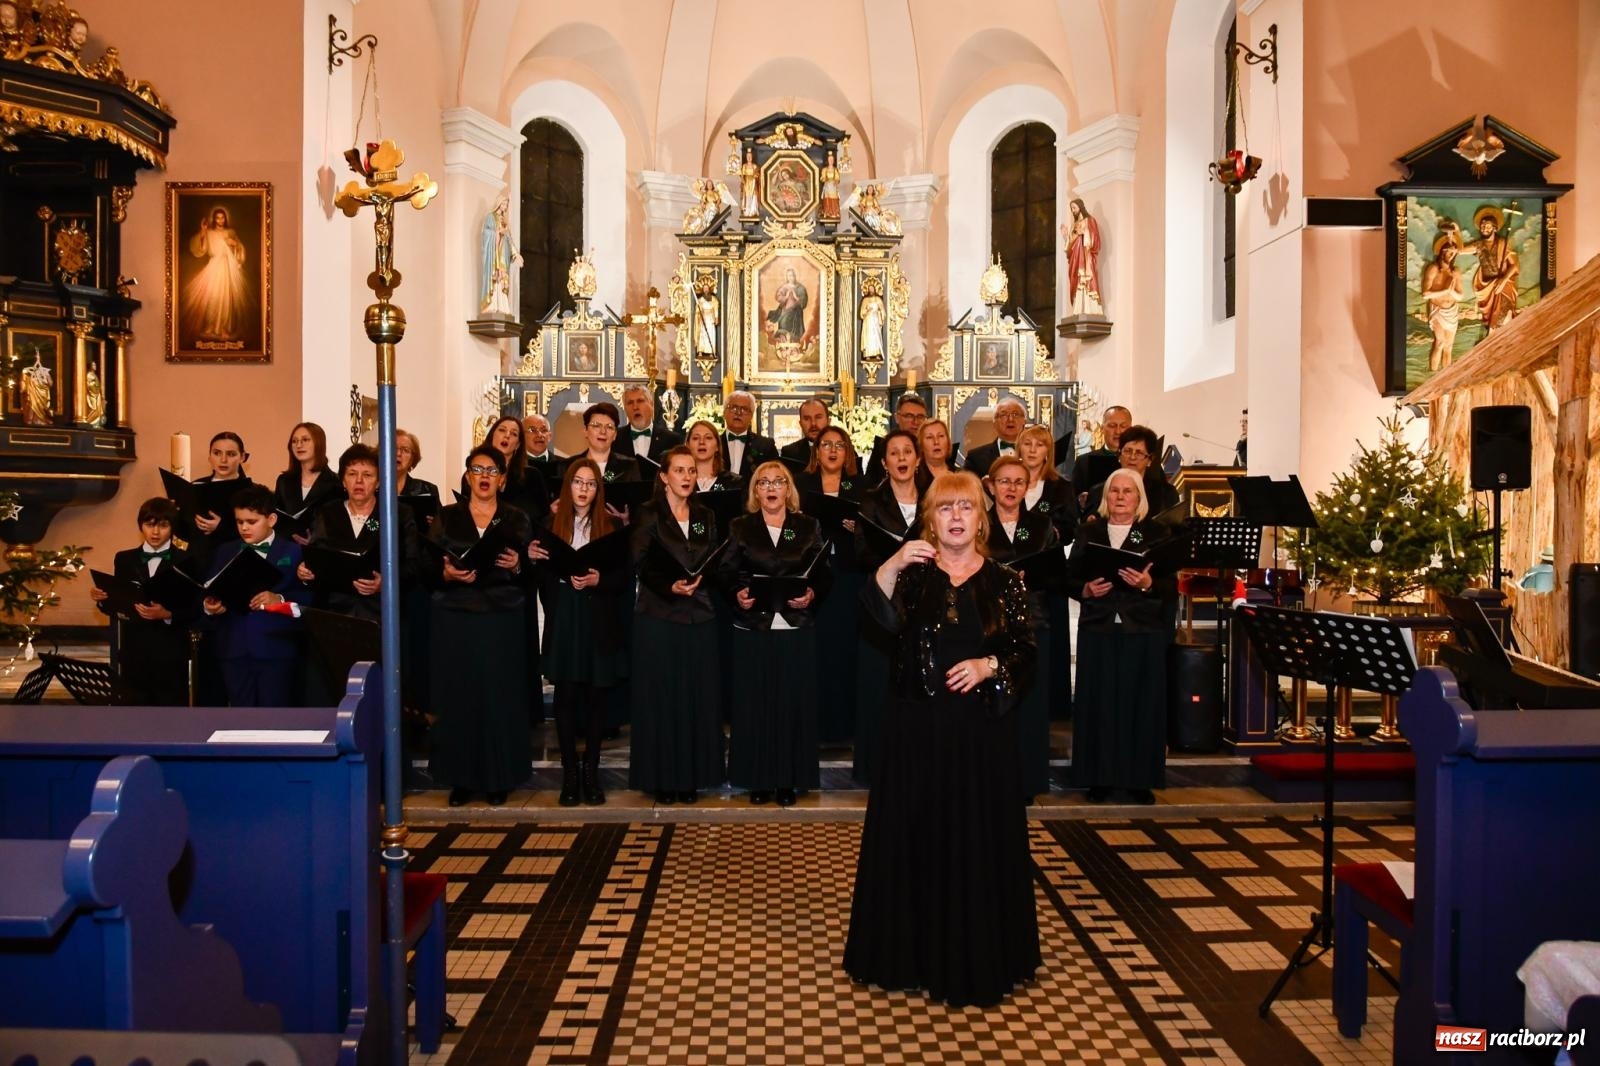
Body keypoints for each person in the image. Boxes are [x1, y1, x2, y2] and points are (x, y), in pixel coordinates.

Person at [844, 471, 1039, 1008]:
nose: (956, 516)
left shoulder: (1005, 581)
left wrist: (987, 665)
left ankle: (980, 953)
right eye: (945, 508)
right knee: (916, 837)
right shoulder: (911, 578)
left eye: (966, 507)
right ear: (930, 520)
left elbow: (1025, 652)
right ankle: (910, 958)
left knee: (977, 839)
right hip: (917, 733)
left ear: (981, 519)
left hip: (981, 738)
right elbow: (878, 624)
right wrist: (890, 564)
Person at [426, 445, 534, 807]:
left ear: (502, 480)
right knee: (459, 698)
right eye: (477, 469)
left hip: (502, 616)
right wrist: (445, 573)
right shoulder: (446, 516)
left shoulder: (516, 518)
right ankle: (461, 779)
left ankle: (498, 778)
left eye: (491, 471)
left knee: (500, 698)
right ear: (468, 476)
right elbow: (427, 565)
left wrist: (517, 565)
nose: (484, 477)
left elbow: (532, 571)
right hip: (456, 616)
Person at [720, 461, 830, 805]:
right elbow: (725, 572)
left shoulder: (807, 526)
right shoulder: (740, 526)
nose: (771, 488)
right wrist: (737, 593)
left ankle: (788, 780)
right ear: (755, 491)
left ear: (788, 489)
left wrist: (812, 593)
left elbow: (824, 572)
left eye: (778, 482)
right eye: (763, 482)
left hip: (796, 626)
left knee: (792, 705)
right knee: (755, 706)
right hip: (753, 627)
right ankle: (759, 781)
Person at [1066, 468, 1176, 804]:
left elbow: (1170, 585)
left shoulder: (1156, 533)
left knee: (1141, 704)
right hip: (1098, 626)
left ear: (1139, 498)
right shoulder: (1089, 531)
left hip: (1142, 627)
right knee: (1097, 703)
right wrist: (1084, 589)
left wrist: (1149, 584)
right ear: (1106, 496)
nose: (1120, 497)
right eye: (1115, 491)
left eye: (1128, 491)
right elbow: (1068, 577)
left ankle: (1138, 780)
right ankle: (1098, 778)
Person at [526, 459, 628, 807]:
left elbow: (623, 577)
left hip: (598, 616)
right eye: (577, 482)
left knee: (597, 697)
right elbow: (537, 577)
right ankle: (570, 773)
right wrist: (535, 560)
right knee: (566, 696)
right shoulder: (549, 525)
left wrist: (600, 580)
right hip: (565, 617)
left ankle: (591, 772)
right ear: (567, 487)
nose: (583, 489)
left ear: (598, 490)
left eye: (590, 483)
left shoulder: (611, 526)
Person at [628, 447, 725, 804]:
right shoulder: (648, 512)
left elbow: (713, 556)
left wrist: (704, 576)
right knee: (662, 698)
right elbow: (639, 562)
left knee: (696, 697)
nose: (687, 477)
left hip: (699, 615)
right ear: (664, 476)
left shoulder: (704, 514)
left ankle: (691, 778)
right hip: (659, 615)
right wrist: (669, 585)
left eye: (691, 471)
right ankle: (662, 778)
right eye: (679, 470)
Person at [984, 456, 1059, 799]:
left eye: (1018, 482)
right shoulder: (979, 524)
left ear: (1027, 487)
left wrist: (1032, 578)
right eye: (1004, 481)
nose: (1011, 488)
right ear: (991, 486)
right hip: (989, 625)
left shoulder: (1042, 526)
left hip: (1032, 621)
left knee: (1030, 705)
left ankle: (1027, 781)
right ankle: (992, 780)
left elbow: (1057, 575)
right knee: (994, 705)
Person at [198, 484, 312, 707]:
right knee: (241, 718)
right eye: (239, 522)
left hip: (276, 649)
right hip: (234, 649)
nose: (244, 528)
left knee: (275, 717)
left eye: (252, 522)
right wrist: (210, 606)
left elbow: (309, 599)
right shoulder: (225, 551)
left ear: (271, 519)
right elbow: (208, 590)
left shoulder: (294, 552)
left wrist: (278, 599)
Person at [853, 429, 924, 784]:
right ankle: (877, 767)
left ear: (917, 459)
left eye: (907, 451)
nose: (901, 458)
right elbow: (861, 552)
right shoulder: (870, 501)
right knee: (879, 683)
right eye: (894, 453)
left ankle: (918, 765)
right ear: (884, 463)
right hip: (883, 601)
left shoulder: (934, 498)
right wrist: (896, 558)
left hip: (924, 601)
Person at [795, 425, 864, 746]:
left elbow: (874, 532)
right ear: (816, 451)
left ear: (847, 451)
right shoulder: (802, 483)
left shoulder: (860, 485)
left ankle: (845, 725)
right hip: (813, 576)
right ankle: (815, 725)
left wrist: (858, 528)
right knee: (817, 650)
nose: (833, 450)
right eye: (826, 445)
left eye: (839, 445)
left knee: (845, 649)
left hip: (849, 575)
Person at [89, 497, 194, 706]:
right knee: (134, 712)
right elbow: (119, 602)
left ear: (173, 528)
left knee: (171, 712)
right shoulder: (124, 559)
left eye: (163, 525)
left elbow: (193, 607)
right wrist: (102, 599)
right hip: (134, 651)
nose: (155, 532)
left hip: (171, 653)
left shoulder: (185, 560)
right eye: (149, 524)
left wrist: (168, 614)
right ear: (140, 526)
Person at [182, 207, 252, 346]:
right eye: (217, 217)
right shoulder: (209, 233)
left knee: (225, 297)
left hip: (226, 267)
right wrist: (203, 232)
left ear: (225, 219)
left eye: (222, 217)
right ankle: (211, 326)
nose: (220, 220)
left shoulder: (230, 232)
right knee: (213, 296)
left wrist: (235, 244)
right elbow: (201, 250)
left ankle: (224, 328)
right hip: (214, 266)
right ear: (214, 219)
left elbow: (239, 249)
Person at [190, 431, 263, 559]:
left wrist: (221, 527)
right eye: (217, 453)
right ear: (210, 457)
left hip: (236, 557)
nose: (223, 460)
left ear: (242, 457)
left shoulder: (253, 492)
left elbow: (261, 531)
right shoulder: (196, 486)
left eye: (231, 454)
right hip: (199, 557)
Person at [468, 415, 550, 526]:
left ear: (518, 444)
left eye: (514, 434)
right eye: (502, 430)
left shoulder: (532, 476)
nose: (507, 436)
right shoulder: (474, 473)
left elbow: (543, 518)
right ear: (492, 436)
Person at [1085, 424, 1179, 517]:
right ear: (1119, 455)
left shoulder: (1165, 493)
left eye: (1139, 453)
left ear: (1150, 460)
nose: (1132, 457)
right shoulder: (1098, 492)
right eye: (1128, 451)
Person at [1459, 205, 1519, 333]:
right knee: (1492, 322)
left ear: (1494, 228)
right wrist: (1455, 234)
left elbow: (1515, 266)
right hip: (1487, 288)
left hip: (1503, 287)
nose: (1484, 229)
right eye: (1482, 226)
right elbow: (1461, 250)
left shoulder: (1503, 243)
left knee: (1505, 318)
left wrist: (1503, 280)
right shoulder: (1479, 245)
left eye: (1487, 226)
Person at [274, 422, 343, 534]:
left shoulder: (335, 482)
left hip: (323, 542)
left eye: (305, 440)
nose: (299, 445)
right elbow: (276, 517)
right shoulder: (284, 481)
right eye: (294, 441)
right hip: (288, 542)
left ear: (319, 443)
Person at [1016, 424, 1080, 539]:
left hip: (1048, 549)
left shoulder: (1062, 486)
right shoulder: (1005, 483)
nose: (1032, 450)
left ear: (1048, 451)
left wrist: (1053, 534)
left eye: (1039, 445)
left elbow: (1071, 529)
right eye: (1027, 444)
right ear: (1019, 449)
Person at [1073, 406, 1131, 510]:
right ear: (1102, 428)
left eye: (1123, 426)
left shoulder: (1140, 461)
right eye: (1112, 426)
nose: (1118, 431)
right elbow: (1073, 502)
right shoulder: (1084, 461)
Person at [864, 392, 928, 484]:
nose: (915, 422)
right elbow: (871, 483)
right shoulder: (882, 447)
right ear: (897, 417)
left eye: (920, 417)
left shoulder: (929, 448)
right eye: (909, 416)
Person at [1422, 235, 1465, 371]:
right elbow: (1425, 294)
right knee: (1440, 343)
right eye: (1448, 251)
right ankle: (1433, 375)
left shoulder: (1455, 272)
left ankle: (1446, 377)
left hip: (1452, 311)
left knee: (1449, 347)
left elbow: (1460, 295)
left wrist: (1451, 292)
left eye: (1453, 252)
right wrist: (1445, 290)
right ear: (1442, 252)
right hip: (1438, 311)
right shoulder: (1433, 269)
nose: (1451, 255)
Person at [961, 397, 1027, 478]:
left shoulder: (1035, 454)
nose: (1010, 419)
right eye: (1004, 415)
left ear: (1024, 421)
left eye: (1015, 414)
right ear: (994, 423)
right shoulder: (975, 457)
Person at [478, 197, 522, 317]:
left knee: (502, 280)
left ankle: (502, 306)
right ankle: (491, 305)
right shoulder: (490, 217)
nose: (505, 207)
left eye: (506, 204)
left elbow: (509, 240)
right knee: (494, 278)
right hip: (493, 256)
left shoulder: (504, 221)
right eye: (503, 204)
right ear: (499, 204)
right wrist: (497, 233)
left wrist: (516, 254)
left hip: (503, 256)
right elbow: (485, 234)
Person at [720, 391, 778, 481]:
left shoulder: (765, 445)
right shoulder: (713, 443)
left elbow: (775, 475)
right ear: (724, 412)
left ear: (751, 416)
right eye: (734, 408)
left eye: (744, 409)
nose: (738, 413)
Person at [1061, 197, 1104, 317]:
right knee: (1077, 280)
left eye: (1074, 207)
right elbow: (1069, 248)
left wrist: (1085, 233)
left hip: (1085, 258)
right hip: (1075, 259)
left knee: (1086, 279)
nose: (1073, 210)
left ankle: (1090, 307)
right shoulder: (1074, 225)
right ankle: (1078, 307)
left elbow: (1096, 240)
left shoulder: (1089, 221)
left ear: (1080, 207)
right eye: (1071, 208)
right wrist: (1065, 236)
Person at [621, 384, 682, 462]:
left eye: (640, 401)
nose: (635, 407)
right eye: (630, 402)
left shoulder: (672, 439)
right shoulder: (614, 439)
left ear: (651, 404)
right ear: (625, 408)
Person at [396, 428, 441, 531]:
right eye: (392, 448)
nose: (398, 453)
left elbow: (442, 527)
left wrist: (436, 523)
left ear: (412, 458)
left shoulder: (428, 489)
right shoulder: (372, 488)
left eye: (405, 450)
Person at [685, 419, 740, 493]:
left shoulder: (734, 482)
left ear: (717, 446)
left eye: (708, 438)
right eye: (696, 438)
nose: (701, 442)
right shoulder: (680, 481)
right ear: (688, 445)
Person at [779, 396, 831, 464]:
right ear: (800, 424)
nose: (813, 423)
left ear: (828, 421)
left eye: (818, 417)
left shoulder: (842, 449)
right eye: (807, 419)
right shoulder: (789, 453)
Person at [766, 267, 808, 343]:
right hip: (785, 311)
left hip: (796, 313)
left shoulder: (800, 288)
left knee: (795, 331)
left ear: (795, 276)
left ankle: (794, 345)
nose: (791, 277)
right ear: (787, 277)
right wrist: (786, 296)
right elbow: (778, 297)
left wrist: (796, 297)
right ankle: (783, 345)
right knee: (783, 322)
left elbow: (804, 301)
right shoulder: (784, 287)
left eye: (792, 275)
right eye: (789, 275)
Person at [20, 350, 52, 425]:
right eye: (35, 358)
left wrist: (47, 376)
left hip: (42, 393)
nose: (37, 360)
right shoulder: (26, 371)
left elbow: (50, 383)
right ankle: (30, 419)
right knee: (32, 404)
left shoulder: (45, 371)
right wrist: (23, 387)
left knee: (41, 406)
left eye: (38, 358)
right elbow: (23, 382)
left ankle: (41, 419)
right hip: (32, 391)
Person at [694, 275, 720, 356]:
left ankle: (711, 352)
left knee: (711, 334)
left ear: (709, 289)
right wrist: (699, 314)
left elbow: (715, 309)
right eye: (704, 288)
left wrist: (716, 318)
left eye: (707, 288)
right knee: (702, 334)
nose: (705, 289)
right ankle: (700, 351)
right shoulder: (700, 300)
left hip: (710, 318)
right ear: (702, 289)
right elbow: (697, 310)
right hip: (703, 318)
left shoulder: (714, 299)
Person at [819, 150, 841, 222]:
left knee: (834, 199)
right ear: (827, 161)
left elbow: (838, 178)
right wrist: (825, 179)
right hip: (827, 186)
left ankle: (834, 212)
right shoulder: (825, 169)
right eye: (829, 160)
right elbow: (822, 178)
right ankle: (827, 212)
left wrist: (836, 181)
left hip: (833, 186)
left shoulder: (835, 169)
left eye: (832, 160)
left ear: (833, 161)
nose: (831, 161)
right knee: (827, 199)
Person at [739, 146, 760, 217]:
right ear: (746, 157)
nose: (749, 158)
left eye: (750, 156)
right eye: (748, 156)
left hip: (753, 182)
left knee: (754, 195)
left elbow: (757, 174)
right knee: (747, 196)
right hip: (747, 183)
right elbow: (742, 175)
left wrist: (755, 176)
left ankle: (753, 210)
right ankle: (747, 211)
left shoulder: (755, 166)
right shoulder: (744, 166)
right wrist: (743, 180)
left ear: (752, 157)